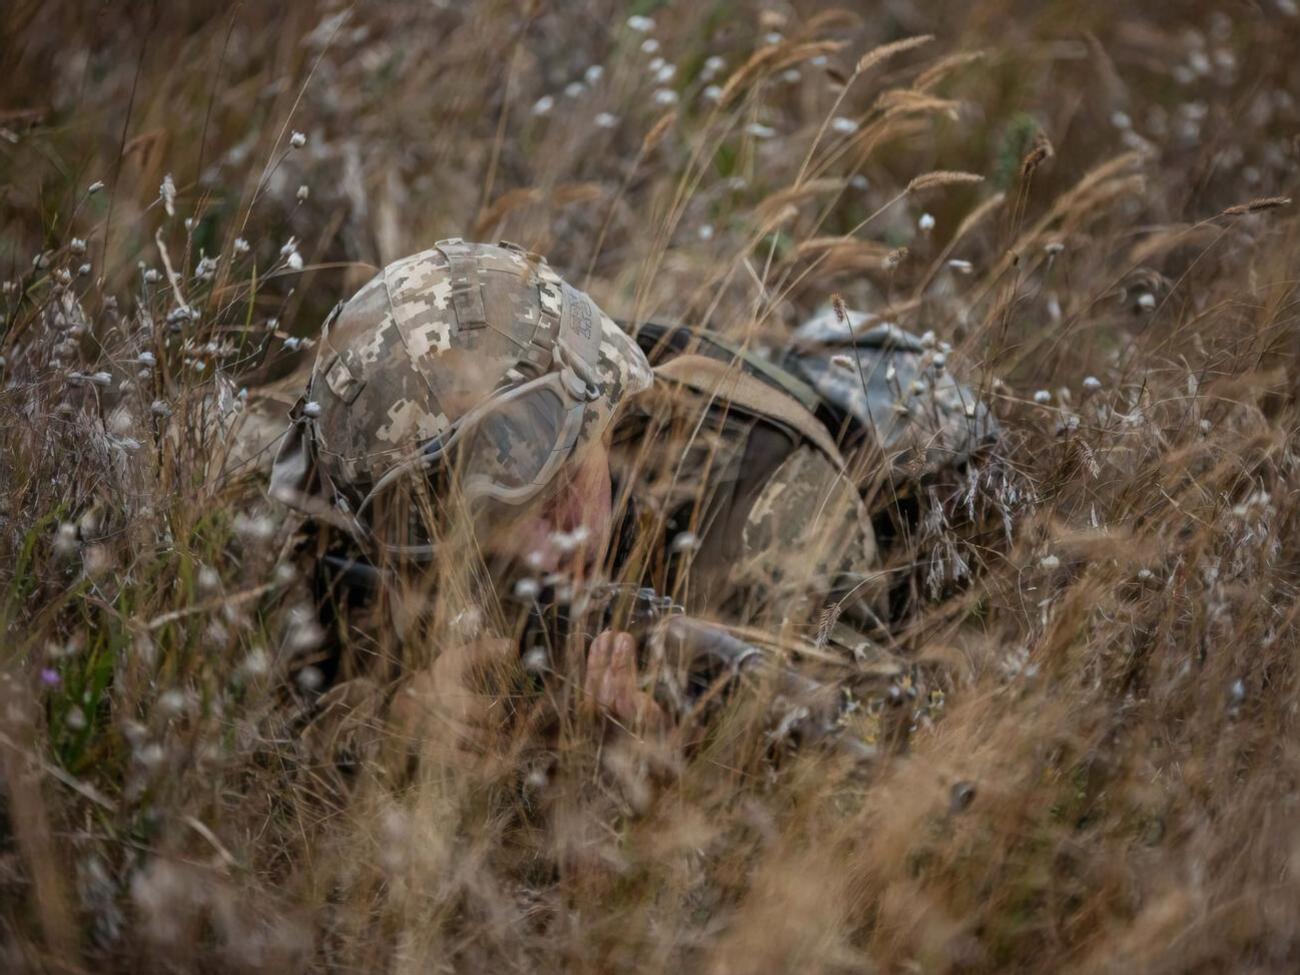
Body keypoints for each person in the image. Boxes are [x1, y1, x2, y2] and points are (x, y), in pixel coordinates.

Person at [243, 240, 989, 760]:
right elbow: (260, 708)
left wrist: (688, 755)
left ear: (605, 416)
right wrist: (389, 722)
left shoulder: (765, 504)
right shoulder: (366, 455)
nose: (554, 545)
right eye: (497, 522)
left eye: (567, 484)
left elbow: (866, 743)